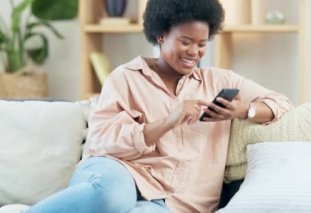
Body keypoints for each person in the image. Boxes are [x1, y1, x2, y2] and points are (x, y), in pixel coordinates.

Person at [25, 0, 293, 212]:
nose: (194, 53)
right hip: (119, 173)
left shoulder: (219, 80)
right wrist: (169, 120)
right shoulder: (126, 77)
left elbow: (282, 103)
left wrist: (244, 110)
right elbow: (102, 141)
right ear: (162, 35)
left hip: (175, 202)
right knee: (111, 197)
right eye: (185, 42)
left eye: (202, 44)